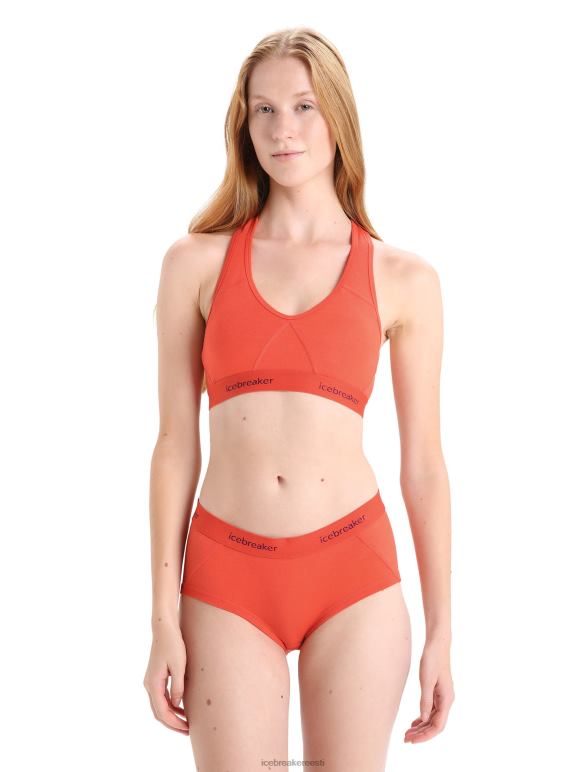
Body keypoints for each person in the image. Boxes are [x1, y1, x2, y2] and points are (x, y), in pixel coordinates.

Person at [143, 26, 454, 770]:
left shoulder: (404, 279)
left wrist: (443, 629)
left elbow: (425, 465)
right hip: (226, 576)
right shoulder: (195, 264)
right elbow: (175, 445)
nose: (284, 128)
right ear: (244, 125)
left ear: (338, 117)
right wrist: (161, 617)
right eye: (265, 110)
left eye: (304, 107)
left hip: (354, 575)